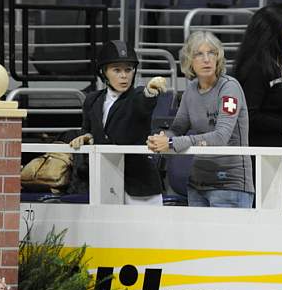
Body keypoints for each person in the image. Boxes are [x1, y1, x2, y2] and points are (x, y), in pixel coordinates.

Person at [147, 31, 254, 208]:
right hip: (197, 184)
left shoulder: (229, 88)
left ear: (218, 57)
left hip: (230, 184)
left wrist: (173, 142)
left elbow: (220, 137)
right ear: (189, 61)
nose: (206, 59)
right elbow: (178, 128)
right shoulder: (190, 89)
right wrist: (161, 138)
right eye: (199, 54)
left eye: (211, 53)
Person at [234, 4, 282, 208]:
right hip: (261, 157)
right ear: (274, 32)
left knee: (277, 213)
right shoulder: (256, 68)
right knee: (265, 216)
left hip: (279, 154)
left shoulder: (276, 64)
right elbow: (249, 115)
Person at [69, 40, 167, 205]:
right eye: (117, 70)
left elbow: (144, 103)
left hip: (139, 185)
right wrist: (86, 137)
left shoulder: (136, 95)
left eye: (128, 70)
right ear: (104, 72)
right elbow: (87, 129)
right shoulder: (92, 100)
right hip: (104, 182)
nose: (124, 76)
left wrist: (151, 91)